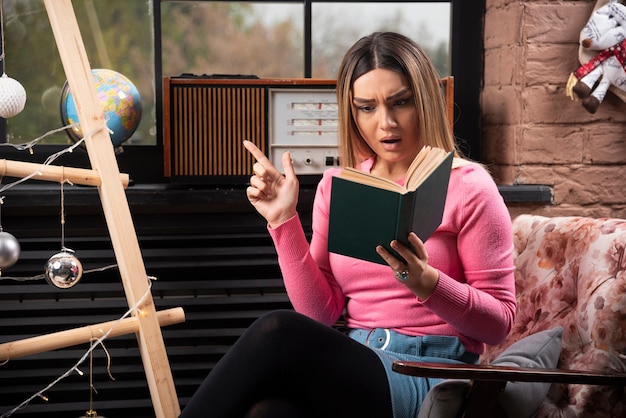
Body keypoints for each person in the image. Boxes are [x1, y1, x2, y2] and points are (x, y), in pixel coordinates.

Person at [179, 31, 516, 418]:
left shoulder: (470, 186)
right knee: (269, 413)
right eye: (367, 107)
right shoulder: (339, 186)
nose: (386, 123)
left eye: (400, 102)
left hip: (431, 373)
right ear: (351, 112)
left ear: (423, 100)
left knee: (278, 331)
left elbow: (499, 325)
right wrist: (283, 221)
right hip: (359, 362)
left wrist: (429, 283)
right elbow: (320, 314)